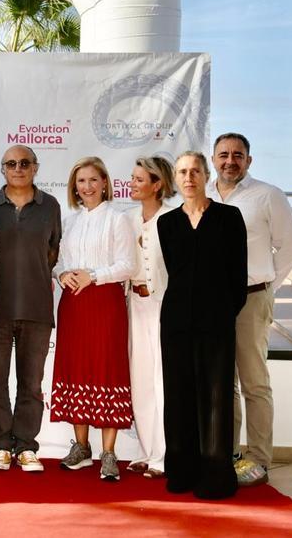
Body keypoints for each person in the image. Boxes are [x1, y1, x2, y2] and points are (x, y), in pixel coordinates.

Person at [208, 133, 292, 487]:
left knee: (254, 382)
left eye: (238, 155)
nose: (230, 160)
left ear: (249, 160)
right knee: (222, 383)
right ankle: (227, 454)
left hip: (251, 298)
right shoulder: (204, 196)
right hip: (214, 303)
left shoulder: (268, 195)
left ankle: (259, 459)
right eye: (223, 154)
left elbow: (289, 249)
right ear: (213, 159)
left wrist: (265, 290)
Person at [158, 151, 247, 499]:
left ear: (206, 174)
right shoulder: (167, 223)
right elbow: (177, 274)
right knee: (178, 395)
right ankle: (181, 471)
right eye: (182, 172)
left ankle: (215, 475)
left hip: (217, 323)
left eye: (195, 170)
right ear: (175, 179)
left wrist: (223, 313)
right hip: (176, 320)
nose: (189, 177)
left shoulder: (229, 217)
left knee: (216, 397)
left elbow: (237, 276)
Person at [52, 156, 136, 482]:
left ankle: (109, 453)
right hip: (73, 305)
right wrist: (62, 276)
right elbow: (58, 262)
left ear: (105, 184)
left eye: (92, 180)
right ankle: (82, 447)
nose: (86, 186)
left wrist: (94, 276)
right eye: (81, 181)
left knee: (106, 369)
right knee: (78, 369)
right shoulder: (70, 221)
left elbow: (128, 265)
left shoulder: (117, 219)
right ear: (75, 186)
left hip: (105, 303)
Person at [0, 145, 61, 473]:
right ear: (2, 169)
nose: (18, 168)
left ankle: (26, 446)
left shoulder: (50, 205)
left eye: (24, 163)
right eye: (11, 163)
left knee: (31, 383)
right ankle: (0, 444)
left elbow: (53, 251)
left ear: (35, 167)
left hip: (37, 308)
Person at [125, 156, 176, 479]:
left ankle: (166, 454)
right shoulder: (127, 219)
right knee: (141, 378)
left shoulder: (174, 219)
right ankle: (147, 451)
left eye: (139, 179)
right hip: (134, 305)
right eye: (132, 178)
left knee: (163, 380)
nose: (132, 183)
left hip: (164, 307)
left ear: (157, 185)